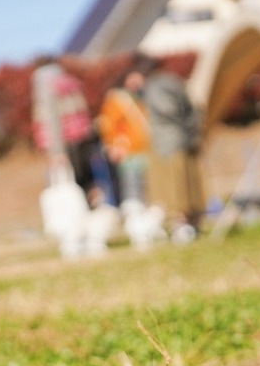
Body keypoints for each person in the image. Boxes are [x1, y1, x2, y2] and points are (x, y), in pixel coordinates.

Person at [140, 58, 206, 242]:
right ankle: (193, 223)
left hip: (168, 142)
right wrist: (191, 128)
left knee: (175, 185)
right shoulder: (175, 81)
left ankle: (182, 225)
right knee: (189, 183)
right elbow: (193, 107)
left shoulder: (154, 85)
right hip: (186, 138)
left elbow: (168, 109)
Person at [31, 56, 98, 196]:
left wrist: (57, 151)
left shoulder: (44, 84)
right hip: (83, 135)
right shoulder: (69, 81)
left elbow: (52, 119)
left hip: (64, 139)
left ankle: (83, 211)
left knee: (72, 179)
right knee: (86, 176)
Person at [97, 67, 151, 206]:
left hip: (142, 147)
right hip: (127, 149)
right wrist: (112, 146)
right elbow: (107, 124)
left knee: (143, 183)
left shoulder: (139, 97)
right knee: (131, 183)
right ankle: (133, 211)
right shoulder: (117, 99)